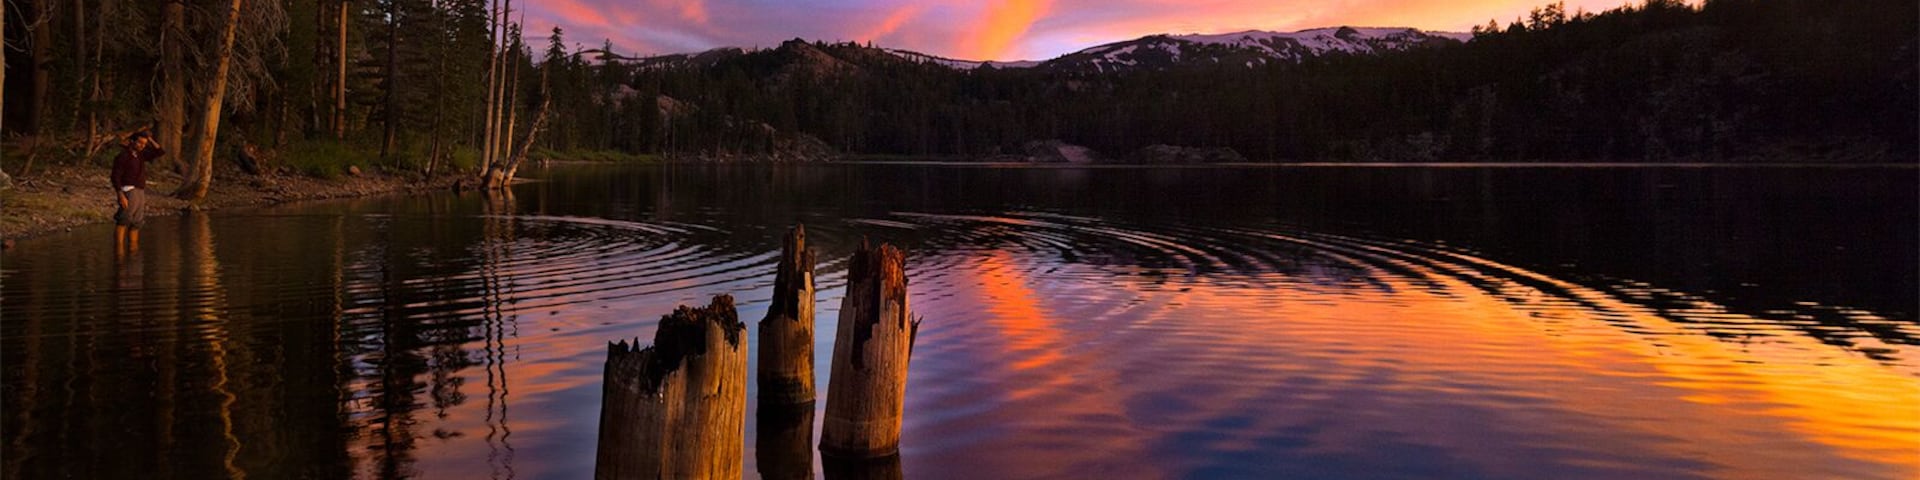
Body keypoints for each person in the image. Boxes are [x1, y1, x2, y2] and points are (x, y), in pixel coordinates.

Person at [110, 131, 165, 254]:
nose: (142, 145)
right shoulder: (123, 156)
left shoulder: (141, 155)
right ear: (132, 141)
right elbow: (115, 177)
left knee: (137, 223)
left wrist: (150, 139)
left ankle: (133, 252)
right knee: (124, 220)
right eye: (139, 142)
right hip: (128, 190)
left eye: (144, 144)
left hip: (140, 190)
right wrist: (120, 194)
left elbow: (160, 152)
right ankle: (119, 253)